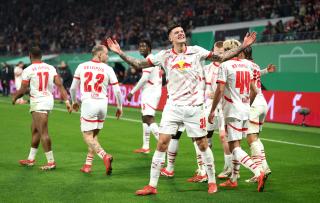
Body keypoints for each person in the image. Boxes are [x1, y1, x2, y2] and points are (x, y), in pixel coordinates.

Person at [107, 24, 256, 195]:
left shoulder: (197, 51)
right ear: (170, 38)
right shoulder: (164, 55)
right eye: (176, 32)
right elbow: (139, 64)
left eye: (182, 31)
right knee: (162, 143)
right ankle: (152, 185)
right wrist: (119, 52)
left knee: (202, 144)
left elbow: (220, 58)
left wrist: (243, 46)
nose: (180, 33)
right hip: (172, 107)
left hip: (195, 107)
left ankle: (212, 181)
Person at [208, 39, 267, 192]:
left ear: (228, 51)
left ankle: (258, 171)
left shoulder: (225, 65)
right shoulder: (248, 65)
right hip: (245, 110)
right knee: (238, 144)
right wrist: (246, 104)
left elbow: (220, 90)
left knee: (235, 147)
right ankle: (233, 179)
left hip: (232, 111)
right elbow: (254, 90)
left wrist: (212, 110)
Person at [12, 46, 72, 170]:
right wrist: (67, 101)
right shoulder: (51, 68)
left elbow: (23, 90)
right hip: (47, 100)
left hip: (39, 102)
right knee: (35, 130)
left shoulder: (28, 70)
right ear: (42, 56)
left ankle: (51, 162)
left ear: (29, 56)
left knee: (43, 132)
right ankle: (30, 159)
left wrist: (14, 98)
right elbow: (60, 85)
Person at [69, 44, 122, 175]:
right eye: (106, 53)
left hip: (88, 103)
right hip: (103, 104)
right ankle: (87, 165)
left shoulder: (82, 66)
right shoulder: (108, 69)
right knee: (94, 137)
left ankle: (105, 156)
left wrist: (74, 101)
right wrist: (119, 107)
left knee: (87, 136)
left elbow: (72, 88)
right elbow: (117, 91)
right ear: (99, 54)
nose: (108, 56)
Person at [241, 46, 275, 183]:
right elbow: (256, 75)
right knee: (256, 137)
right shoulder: (254, 65)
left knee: (250, 138)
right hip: (263, 103)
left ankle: (259, 172)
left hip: (253, 103)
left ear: (242, 53)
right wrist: (266, 70)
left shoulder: (242, 64)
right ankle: (264, 167)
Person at [127, 39, 162, 154]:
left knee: (148, 118)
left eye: (144, 46)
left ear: (149, 48)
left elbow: (144, 79)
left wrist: (132, 92)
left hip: (151, 92)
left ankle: (163, 143)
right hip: (152, 90)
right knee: (144, 117)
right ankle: (146, 146)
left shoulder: (149, 60)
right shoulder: (151, 59)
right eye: (140, 46)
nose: (141, 48)